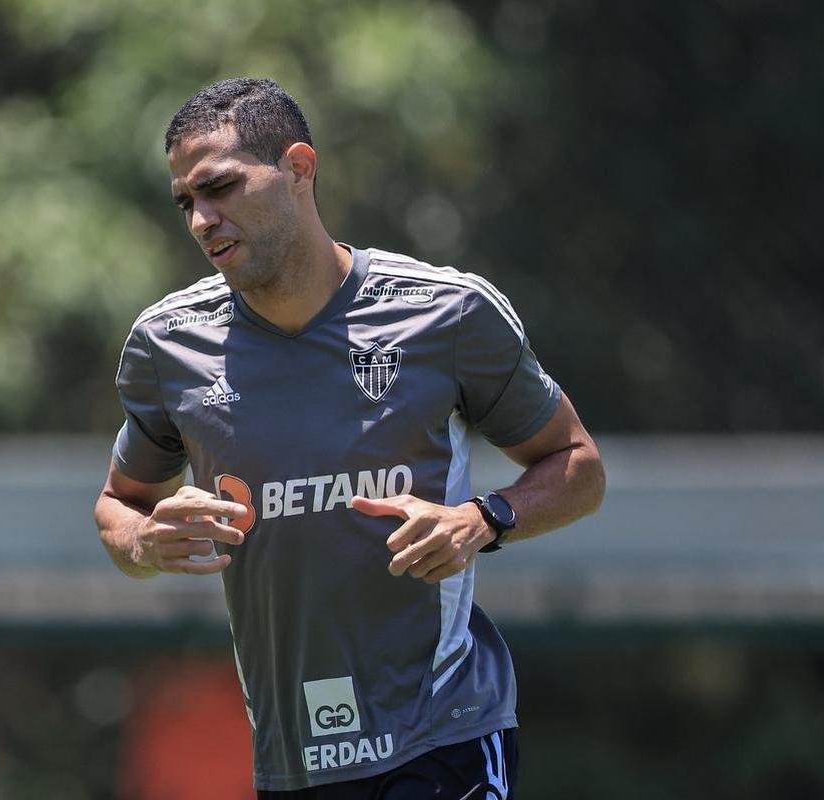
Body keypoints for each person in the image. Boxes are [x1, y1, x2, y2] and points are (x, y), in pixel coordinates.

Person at [94, 77, 605, 799]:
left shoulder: (445, 313)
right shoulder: (166, 346)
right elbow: (119, 504)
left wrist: (481, 520)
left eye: (221, 188)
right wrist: (144, 542)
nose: (202, 219)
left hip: (443, 733)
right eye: (186, 202)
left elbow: (579, 467)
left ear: (299, 167)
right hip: (292, 760)